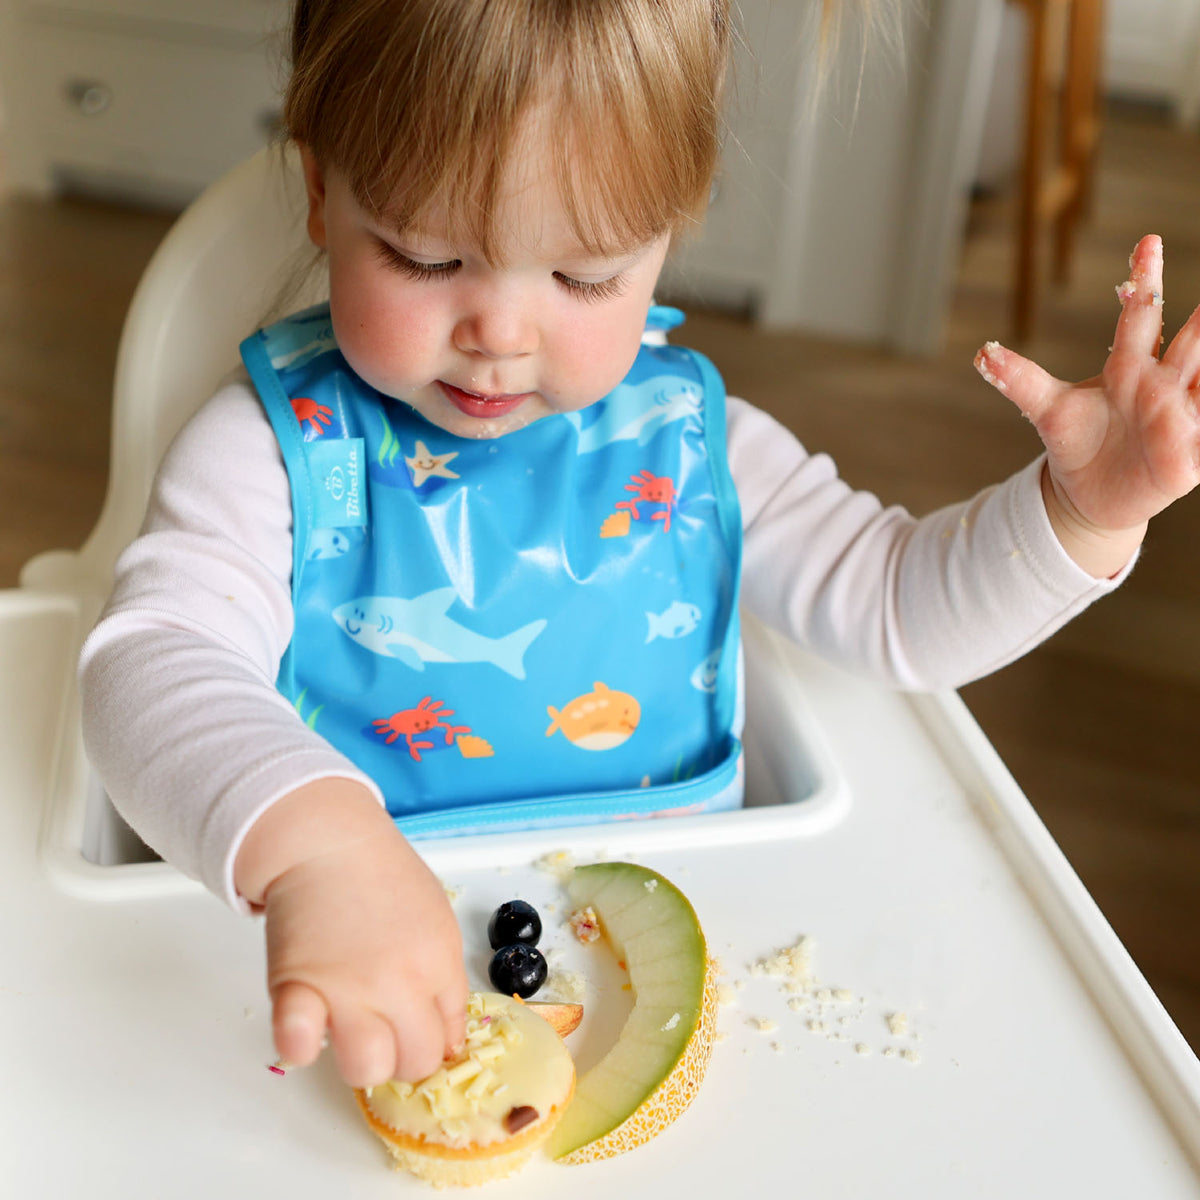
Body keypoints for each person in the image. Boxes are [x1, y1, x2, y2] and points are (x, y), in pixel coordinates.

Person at [79, 0, 1200, 1096]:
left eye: (584, 276)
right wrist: (316, 850)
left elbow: (899, 606)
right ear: (322, 188)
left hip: (680, 999)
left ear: (672, 226)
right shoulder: (270, 455)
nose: (501, 335)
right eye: (425, 259)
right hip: (353, 1024)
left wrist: (1085, 512)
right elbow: (150, 664)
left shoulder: (693, 448)